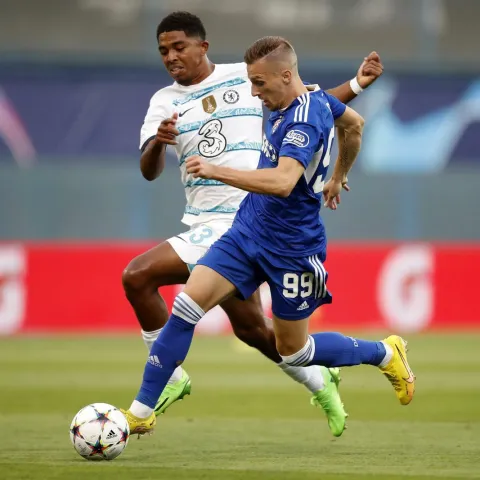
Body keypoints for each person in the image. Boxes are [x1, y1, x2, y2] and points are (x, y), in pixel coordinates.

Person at [122, 35, 415, 438]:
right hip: (246, 230)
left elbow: (281, 182)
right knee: (186, 306)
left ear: (285, 74)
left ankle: (383, 352)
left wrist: (216, 169)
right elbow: (354, 124)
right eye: (252, 83)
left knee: (295, 350)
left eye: (259, 84)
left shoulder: (302, 119)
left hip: (292, 247)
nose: (254, 93)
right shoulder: (302, 100)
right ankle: (140, 410)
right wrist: (338, 176)